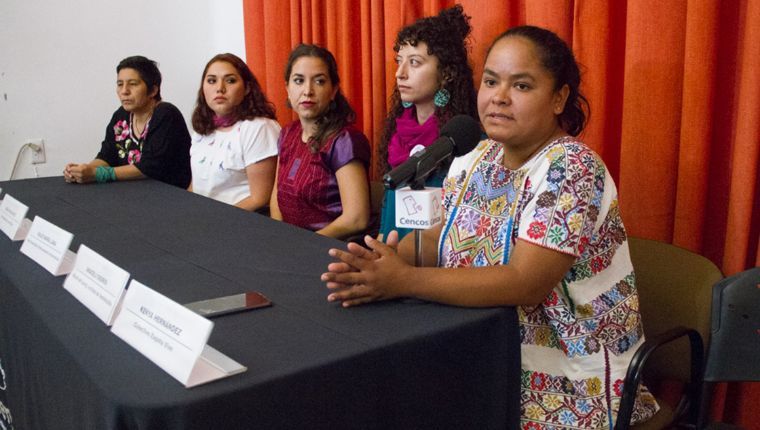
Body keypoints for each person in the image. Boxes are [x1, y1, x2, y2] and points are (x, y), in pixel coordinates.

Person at [322, 26, 659, 427]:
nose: (499, 97)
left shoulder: (572, 168)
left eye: (521, 85)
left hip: (568, 378)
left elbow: (524, 281)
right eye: (491, 81)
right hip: (480, 348)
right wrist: (385, 259)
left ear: (559, 98)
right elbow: (442, 236)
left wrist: (402, 280)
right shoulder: (476, 156)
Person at [378, 5, 477, 241]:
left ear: (446, 74)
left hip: (435, 265)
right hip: (391, 254)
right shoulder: (397, 132)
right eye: (399, 61)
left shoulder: (465, 142)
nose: (399, 73)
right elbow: (389, 205)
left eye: (414, 63)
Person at [271, 44, 371, 239]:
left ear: (333, 90)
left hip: (331, 247)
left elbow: (356, 218)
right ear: (287, 89)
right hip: (291, 243)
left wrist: (305, 245)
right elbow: (277, 196)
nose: (307, 91)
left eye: (319, 81)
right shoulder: (287, 133)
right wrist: (278, 238)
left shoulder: (344, 141)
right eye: (299, 81)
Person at [63, 56, 191, 188]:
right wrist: (83, 170)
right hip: (132, 194)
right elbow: (107, 156)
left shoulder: (166, 114)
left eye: (133, 84)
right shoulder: (121, 115)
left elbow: (149, 167)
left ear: (153, 90)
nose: (124, 91)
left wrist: (97, 174)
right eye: (120, 84)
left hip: (171, 196)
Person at [188, 53, 279, 212]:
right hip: (204, 217)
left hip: (241, 221)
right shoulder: (203, 128)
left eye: (230, 80)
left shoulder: (259, 128)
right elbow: (196, 185)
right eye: (211, 81)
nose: (220, 88)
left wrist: (211, 220)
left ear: (247, 88)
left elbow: (260, 198)